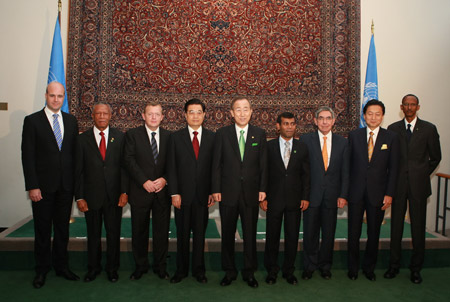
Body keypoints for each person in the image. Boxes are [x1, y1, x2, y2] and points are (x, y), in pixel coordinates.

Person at [21, 81, 80, 288]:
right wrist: (32, 186)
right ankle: (42, 269)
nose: (56, 99)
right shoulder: (32, 121)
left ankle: (62, 266)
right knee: (43, 230)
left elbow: (74, 155)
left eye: (60, 96)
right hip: (42, 188)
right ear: (46, 96)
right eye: (52, 95)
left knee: (63, 229)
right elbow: (27, 156)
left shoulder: (71, 121)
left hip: (65, 187)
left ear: (64, 97)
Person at [211, 97, 268, 288]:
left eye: (246, 109)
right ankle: (229, 271)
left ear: (251, 112)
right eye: (238, 109)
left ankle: (249, 271)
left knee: (250, 234)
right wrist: (216, 189)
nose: (242, 113)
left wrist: (262, 189)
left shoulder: (259, 134)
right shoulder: (222, 134)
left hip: (251, 193)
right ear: (231, 113)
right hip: (227, 193)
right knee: (227, 233)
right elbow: (216, 165)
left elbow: (263, 165)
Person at [384, 94, 441, 284]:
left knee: (418, 229)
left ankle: (416, 269)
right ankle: (394, 266)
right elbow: (389, 159)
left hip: (418, 186)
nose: (409, 107)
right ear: (401, 107)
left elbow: (435, 157)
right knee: (396, 228)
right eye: (406, 104)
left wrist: (422, 173)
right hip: (398, 186)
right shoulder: (393, 129)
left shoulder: (429, 129)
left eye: (412, 104)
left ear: (418, 107)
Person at [74, 102, 129, 283]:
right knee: (93, 235)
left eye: (105, 113)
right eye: (98, 114)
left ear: (110, 116)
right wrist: (80, 196)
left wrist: (124, 191)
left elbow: (124, 168)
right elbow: (78, 171)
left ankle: (112, 269)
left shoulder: (120, 138)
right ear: (93, 116)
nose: (102, 117)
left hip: (115, 197)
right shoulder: (82, 139)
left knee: (113, 235)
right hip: (91, 197)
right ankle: (93, 268)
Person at [347, 99, 399, 281]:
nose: (373, 117)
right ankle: (352, 268)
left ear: (382, 116)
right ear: (364, 115)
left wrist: (389, 193)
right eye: (370, 113)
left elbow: (393, 169)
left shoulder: (390, 137)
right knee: (353, 233)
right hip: (355, 193)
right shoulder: (354, 135)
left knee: (374, 233)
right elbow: (348, 166)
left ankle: (369, 268)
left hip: (378, 194)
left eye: (377, 114)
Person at [167, 98, 215, 284]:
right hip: (182, 197)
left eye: (199, 112)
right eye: (191, 112)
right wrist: (174, 192)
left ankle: (199, 270)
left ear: (204, 115)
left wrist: (213, 191)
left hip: (204, 196)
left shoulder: (213, 137)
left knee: (200, 235)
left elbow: (215, 168)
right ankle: (181, 270)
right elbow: (171, 167)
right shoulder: (175, 137)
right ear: (185, 115)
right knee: (182, 235)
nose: (195, 116)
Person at [299, 106, 349, 280]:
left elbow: (345, 172)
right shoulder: (305, 140)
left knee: (328, 234)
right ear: (315, 121)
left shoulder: (343, 142)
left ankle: (325, 266)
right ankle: (309, 266)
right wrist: (303, 195)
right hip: (311, 197)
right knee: (310, 233)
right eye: (321, 118)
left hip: (333, 197)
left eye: (328, 118)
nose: (325, 121)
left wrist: (343, 195)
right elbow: (302, 171)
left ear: (334, 121)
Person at [123, 102, 171, 281]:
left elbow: (173, 163)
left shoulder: (169, 137)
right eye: (150, 114)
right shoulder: (133, 135)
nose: (153, 117)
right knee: (139, 232)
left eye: (157, 114)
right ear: (143, 115)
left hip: (161, 193)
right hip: (140, 192)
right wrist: (144, 181)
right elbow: (128, 160)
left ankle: (160, 267)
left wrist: (165, 179)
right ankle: (140, 266)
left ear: (162, 117)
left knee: (161, 232)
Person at [261, 112, 310, 286]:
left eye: (292, 124)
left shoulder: (302, 147)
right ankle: (272, 271)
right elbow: (264, 173)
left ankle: (289, 271)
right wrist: (263, 196)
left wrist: (305, 197)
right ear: (278, 126)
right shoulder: (269, 146)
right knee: (272, 237)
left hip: (295, 201)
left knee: (292, 237)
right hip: (273, 200)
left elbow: (306, 175)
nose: (289, 127)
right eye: (285, 124)